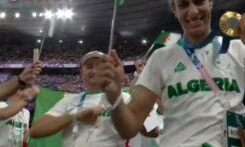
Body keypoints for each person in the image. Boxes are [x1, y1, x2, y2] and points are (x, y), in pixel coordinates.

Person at [90, 0, 245, 146]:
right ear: (174, 10)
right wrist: (115, 96)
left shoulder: (237, 48)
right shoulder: (161, 57)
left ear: (210, 2)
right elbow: (131, 126)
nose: (193, 11)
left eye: (199, 1)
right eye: (183, 4)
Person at [29, 51, 158, 147]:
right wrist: (76, 117)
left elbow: (154, 131)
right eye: (89, 66)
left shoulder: (127, 98)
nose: (95, 70)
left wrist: (125, 110)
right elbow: (35, 131)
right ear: (82, 72)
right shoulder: (69, 100)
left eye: (100, 66)